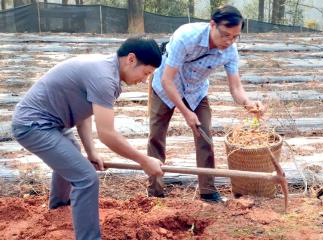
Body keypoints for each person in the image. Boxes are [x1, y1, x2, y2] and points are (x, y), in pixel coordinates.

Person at [11, 37, 164, 240]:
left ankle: (59, 210)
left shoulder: (106, 69)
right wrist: (144, 161)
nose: (144, 80)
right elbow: (107, 134)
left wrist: (91, 152)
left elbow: (84, 114)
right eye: (146, 73)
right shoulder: (104, 78)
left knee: (72, 157)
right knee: (86, 178)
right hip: (33, 125)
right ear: (131, 59)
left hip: (54, 124)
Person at [147, 5, 264, 202]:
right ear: (212, 25)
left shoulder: (230, 51)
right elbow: (168, 80)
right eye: (225, 35)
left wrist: (249, 104)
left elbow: (236, 88)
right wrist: (185, 112)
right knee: (157, 136)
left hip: (196, 91)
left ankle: (208, 191)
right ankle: (155, 192)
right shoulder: (186, 37)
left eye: (235, 37)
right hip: (166, 86)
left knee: (205, 136)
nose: (229, 41)